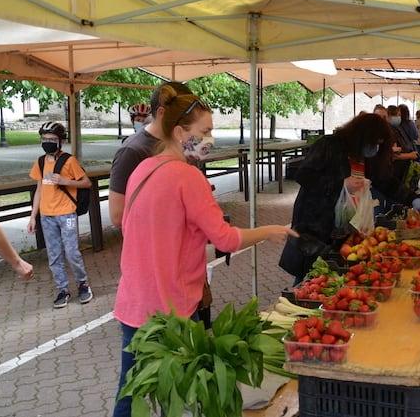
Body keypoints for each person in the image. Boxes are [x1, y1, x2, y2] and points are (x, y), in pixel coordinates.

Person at [112, 87, 297, 417]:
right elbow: (225, 240)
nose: (210, 139)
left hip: (133, 304)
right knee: (186, 396)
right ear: (181, 132)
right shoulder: (188, 177)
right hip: (173, 311)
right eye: (205, 131)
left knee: (130, 393)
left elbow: (129, 225)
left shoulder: (143, 168)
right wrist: (270, 230)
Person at [279, 113, 420, 282]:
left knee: (336, 273)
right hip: (316, 224)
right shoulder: (329, 145)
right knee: (310, 276)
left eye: (379, 144)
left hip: (344, 228)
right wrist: (341, 184)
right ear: (361, 136)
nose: (375, 148)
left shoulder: (366, 158)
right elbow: (303, 175)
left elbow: (385, 181)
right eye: (374, 143)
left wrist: (413, 199)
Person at [27, 122, 93, 308]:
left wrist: (64, 180)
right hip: (47, 216)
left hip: (67, 215)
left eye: (52, 139)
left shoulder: (69, 161)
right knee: (54, 255)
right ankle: (62, 289)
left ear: (60, 141)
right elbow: (39, 189)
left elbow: (86, 183)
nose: (48, 142)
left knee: (72, 252)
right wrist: (33, 216)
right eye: (45, 139)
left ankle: (83, 284)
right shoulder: (40, 162)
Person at [109, 82, 193, 228]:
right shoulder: (131, 151)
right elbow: (118, 216)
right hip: (153, 245)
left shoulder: (181, 143)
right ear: (162, 113)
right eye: (184, 115)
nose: (190, 121)